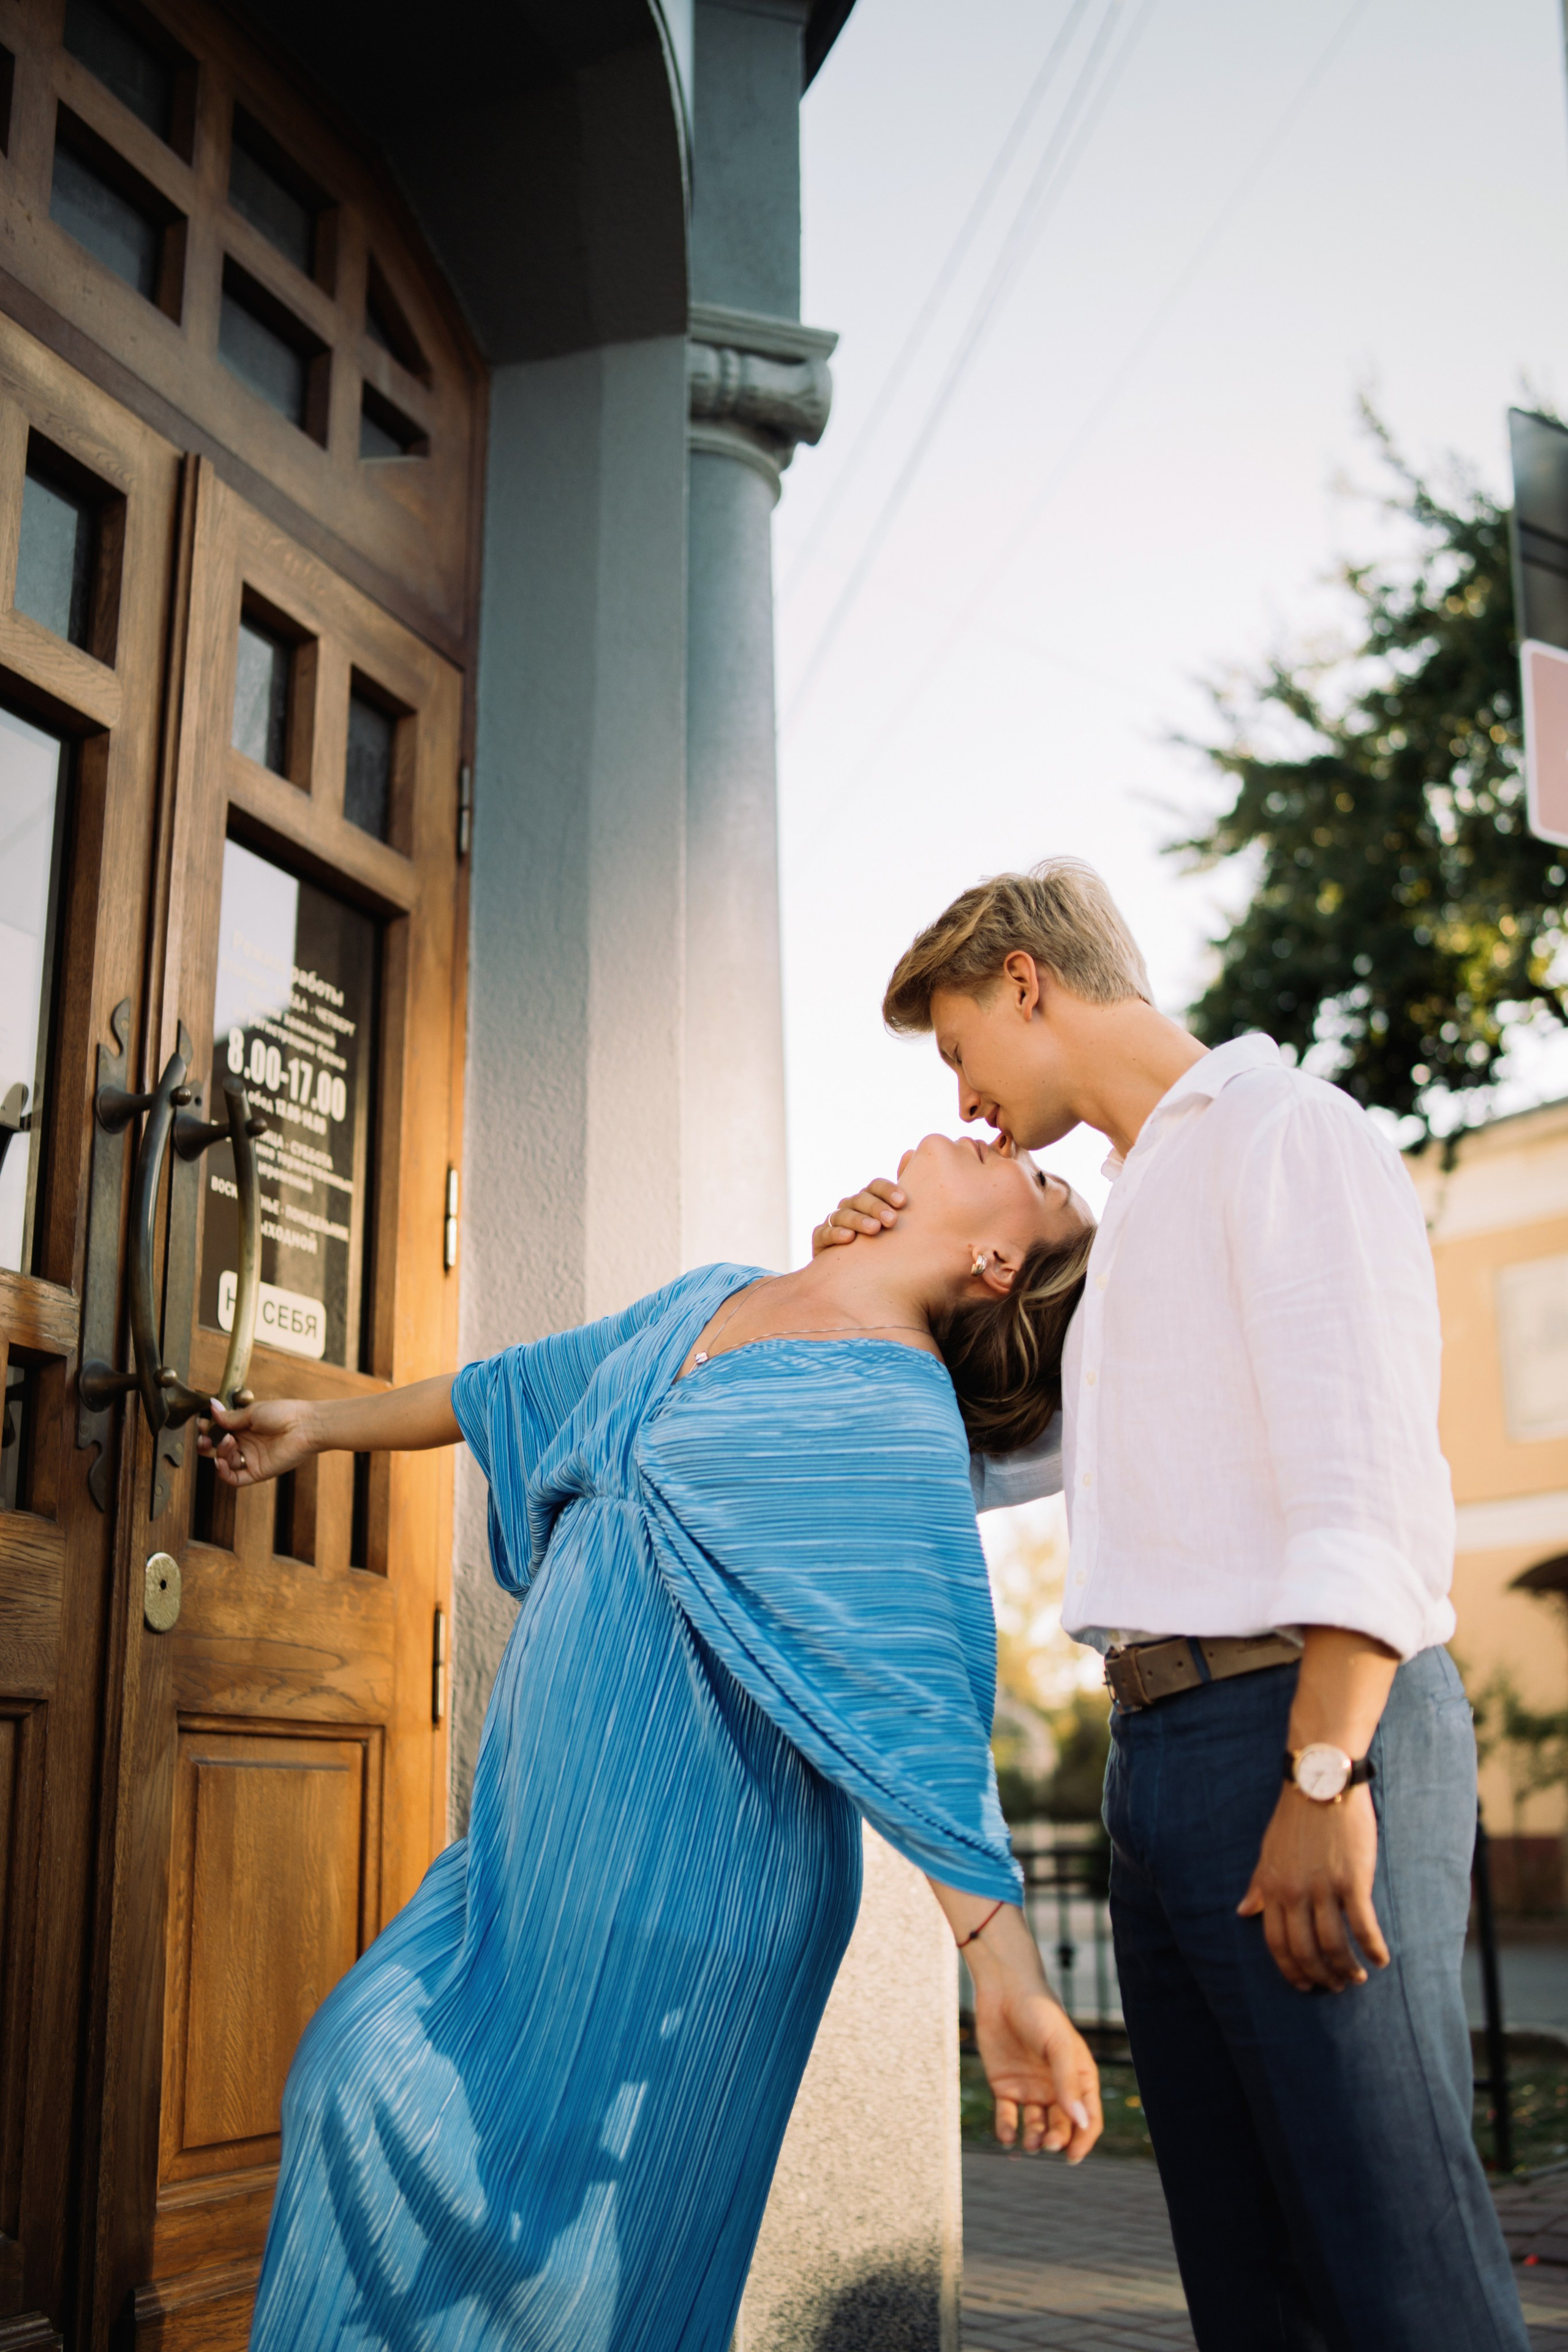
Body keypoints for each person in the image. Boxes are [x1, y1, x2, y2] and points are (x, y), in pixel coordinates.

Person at [200, 1131, 1102, 2352]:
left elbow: (919, 1707)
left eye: (1039, 1178)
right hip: (529, 1868)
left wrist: (1004, 1979)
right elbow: (511, 1388)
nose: (1004, 1139)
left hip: (693, 1891)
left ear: (996, 1259)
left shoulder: (889, 1408)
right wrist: (316, 1427)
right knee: (353, 2083)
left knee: (583, 2283)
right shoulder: (717, 1295)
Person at [817, 859, 1531, 2352]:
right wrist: (872, 1285)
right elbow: (971, 1468)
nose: (963, 1102)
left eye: (955, 1049)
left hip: (1299, 1726)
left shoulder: (1281, 1129)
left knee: (1389, 2261)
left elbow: (1366, 1467)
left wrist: (1324, 1770)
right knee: (1244, 2275)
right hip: (1156, 1762)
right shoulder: (1123, 1221)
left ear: (1022, 979)